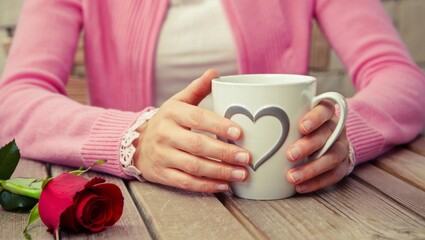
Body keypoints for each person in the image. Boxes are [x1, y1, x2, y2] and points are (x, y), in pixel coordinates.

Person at [0, 0, 424, 194]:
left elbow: (404, 80)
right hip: (139, 204)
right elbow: (15, 100)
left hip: (283, 200)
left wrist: (346, 132)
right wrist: (133, 138)